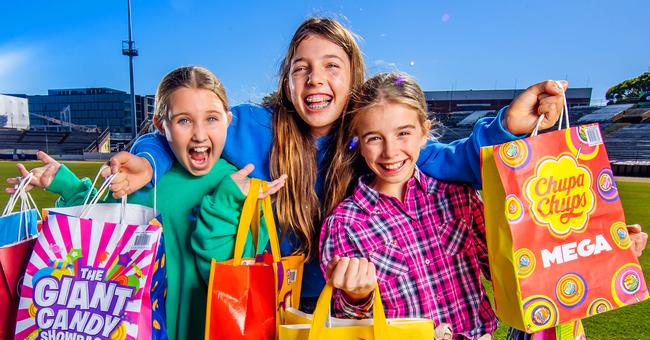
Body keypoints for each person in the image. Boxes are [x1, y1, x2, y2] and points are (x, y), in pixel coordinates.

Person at [115, 17, 569, 311]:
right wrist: (146, 162)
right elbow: (183, 131)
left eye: (332, 66)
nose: (316, 80)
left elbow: (459, 161)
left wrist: (507, 125)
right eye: (301, 68)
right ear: (287, 79)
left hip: (360, 304)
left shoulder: (374, 139)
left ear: (354, 76)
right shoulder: (255, 127)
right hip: (274, 303)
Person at [319, 72, 649, 340]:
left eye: (403, 133)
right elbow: (346, 323)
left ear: (425, 132)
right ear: (358, 143)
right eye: (374, 138)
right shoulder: (346, 224)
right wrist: (356, 297)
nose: (390, 152)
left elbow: (513, 270)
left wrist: (608, 253)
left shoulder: (456, 195)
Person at [6, 66, 285, 340]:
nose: (200, 134)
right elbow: (98, 242)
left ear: (228, 121)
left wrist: (225, 202)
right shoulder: (143, 182)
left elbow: (227, 279)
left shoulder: (239, 186)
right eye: (184, 121)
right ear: (160, 126)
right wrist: (68, 185)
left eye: (212, 119)